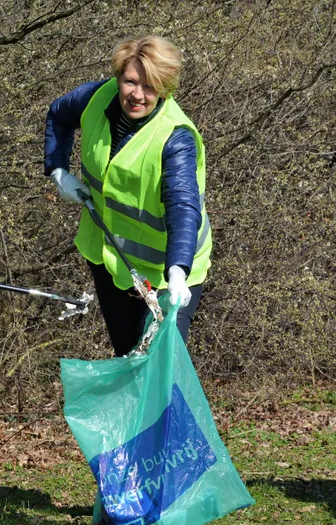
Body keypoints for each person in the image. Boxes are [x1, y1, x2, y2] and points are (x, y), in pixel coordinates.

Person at [44, 35, 212, 356]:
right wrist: (58, 170)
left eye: (150, 86)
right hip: (110, 259)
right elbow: (58, 115)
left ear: (165, 88)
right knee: (129, 357)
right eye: (130, 82)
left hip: (167, 275)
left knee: (161, 365)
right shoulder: (96, 98)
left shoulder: (175, 139)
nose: (137, 95)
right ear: (118, 77)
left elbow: (182, 206)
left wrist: (178, 272)